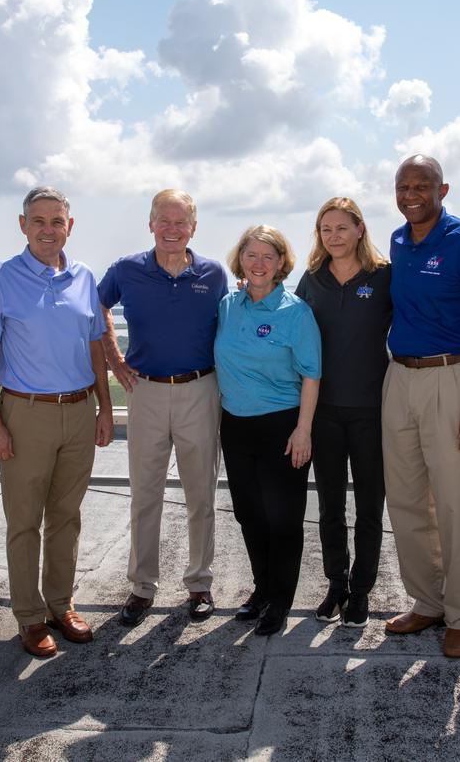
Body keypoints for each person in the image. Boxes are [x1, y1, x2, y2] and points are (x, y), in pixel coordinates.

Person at [0, 186, 115, 658]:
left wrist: (104, 409)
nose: (48, 230)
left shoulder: (84, 276)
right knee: (23, 522)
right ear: (22, 225)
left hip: (78, 411)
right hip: (25, 412)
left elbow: (96, 344)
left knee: (66, 518)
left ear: (70, 227)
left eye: (57, 221)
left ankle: (60, 604)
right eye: (38, 221)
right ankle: (29, 617)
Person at [382, 154, 460, 659]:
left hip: (456, 376)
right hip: (401, 377)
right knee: (407, 498)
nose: (412, 193)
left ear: (443, 189)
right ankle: (427, 601)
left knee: (457, 503)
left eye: (422, 185)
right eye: (403, 185)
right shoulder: (398, 240)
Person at [98, 190, 227, 627]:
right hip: (146, 391)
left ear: (194, 226)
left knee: (201, 495)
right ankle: (141, 587)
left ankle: (199, 583)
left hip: (200, 389)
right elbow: (95, 307)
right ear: (150, 223)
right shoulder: (127, 270)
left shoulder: (214, 273)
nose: (172, 230)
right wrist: (115, 360)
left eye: (181, 222)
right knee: (145, 493)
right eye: (164, 221)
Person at [215, 225, 321, 636]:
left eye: (267, 257)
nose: (258, 264)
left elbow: (312, 375)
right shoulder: (228, 305)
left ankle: (280, 600)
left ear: (281, 264)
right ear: (240, 259)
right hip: (235, 425)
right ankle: (261, 590)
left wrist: (303, 431)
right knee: (248, 513)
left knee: (283, 518)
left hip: (282, 425)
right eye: (250, 255)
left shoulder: (296, 312)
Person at [295, 197, 392, 627]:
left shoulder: (384, 276)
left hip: (373, 410)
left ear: (359, 229)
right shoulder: (312, 280)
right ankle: (336, 585)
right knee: (330, 505)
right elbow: (290, 332)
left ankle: (362, 591)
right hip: (325, 412)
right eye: (325, 229)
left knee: (370, 506)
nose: (333, 236)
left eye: (340, 228)